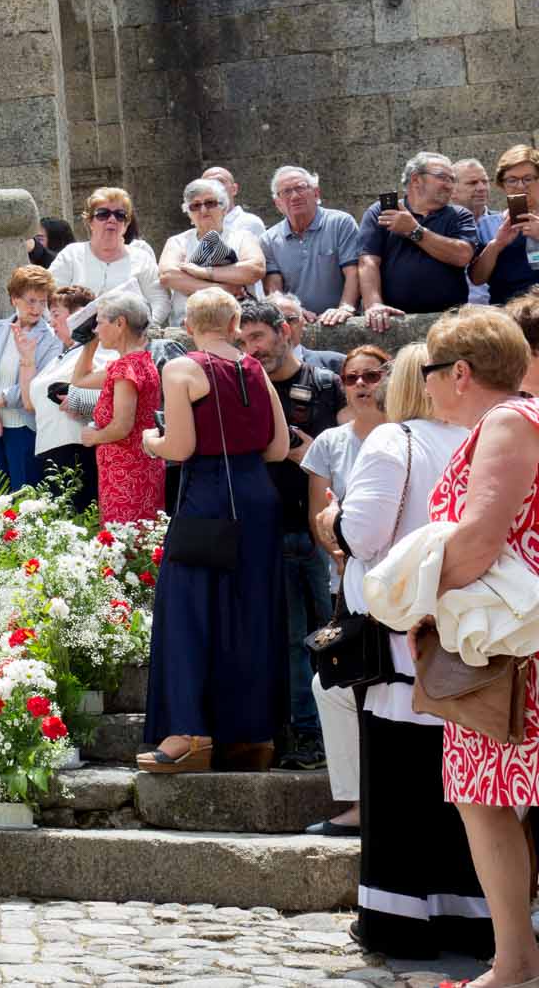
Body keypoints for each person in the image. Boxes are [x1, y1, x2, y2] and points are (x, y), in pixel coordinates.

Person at [319, 343, 490, 954]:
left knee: (398, 779)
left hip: (400, 638)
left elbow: (362, 533)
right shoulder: (480, 439)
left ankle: (397, 921)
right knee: (461, 784)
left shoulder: (396, 441)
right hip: (471, 634)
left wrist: (331, 520)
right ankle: (470, 917)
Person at [391, 308, 539, 986]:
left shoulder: (508, 422)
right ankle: (513, 961)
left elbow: (481, 540)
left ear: (459, 372)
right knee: (484, 798)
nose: (426, 386)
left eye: (429, 371)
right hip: (506, 641)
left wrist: (409, 595)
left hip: (514, 647)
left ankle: (513, 964)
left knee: (487, 799)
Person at [133, 287, 287, 774]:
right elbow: (278, 447)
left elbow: (180, 447)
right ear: (236, 322)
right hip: (257, 496)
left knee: (188, 613)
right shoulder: (256, 368)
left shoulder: (180, 368)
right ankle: (251, 736)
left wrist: (150, 440)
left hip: (207, 497)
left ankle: (189, 734)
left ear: (187, 324)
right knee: (251, 612)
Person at [240, 299, 344, 770]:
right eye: (243, 341)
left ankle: (344, 740)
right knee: (291, 644)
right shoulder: (245, 387)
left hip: (325, 534)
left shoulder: (324, 385)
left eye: (258, 336)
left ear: (285, 331)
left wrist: (308, 458)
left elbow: (346, 458)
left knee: (335, 639)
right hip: (270, 534)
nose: (252, 348)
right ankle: (306, 737)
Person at [299, 343, 389, 828]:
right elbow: (319, 512)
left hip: (393, 580)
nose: (360, 385)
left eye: (371, 377)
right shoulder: (331, 442)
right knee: (335, 683)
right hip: (347, 581)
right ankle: (356, 803)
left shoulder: (403, 437)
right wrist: (336, 548)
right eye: (352, 378)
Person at [359, 151, 479, 330]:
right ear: (416, 179)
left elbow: (462, 256)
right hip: (394, 320)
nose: (449, 185)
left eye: (452, 179)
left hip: (449, 321)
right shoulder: (380, 212)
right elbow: (368, 261)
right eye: (442, 177)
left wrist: (414, 230)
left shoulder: (459, 215)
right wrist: (374, 304)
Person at [74, 291, 164, 524]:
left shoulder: (126, 368)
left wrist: (94, 437)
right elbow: (80, 379)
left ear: (120, 323)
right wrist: (90, 344)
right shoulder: (137, 362)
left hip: (128, 471)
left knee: (125, 543)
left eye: (99, 323)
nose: (95, 329)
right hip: (132, 467)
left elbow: (122, 426)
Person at [0, 266, 62, 489]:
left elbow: (38, 387)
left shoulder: (51, 339)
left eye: (42, 302)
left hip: (25, 428)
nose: (37, 308)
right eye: (31, 301)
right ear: (14, 299)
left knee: (23, 496)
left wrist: (0, 400)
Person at [51, 187, 169, 326]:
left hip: (126, 340)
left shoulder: (141, 258)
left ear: (126, 224)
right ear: (90, 221)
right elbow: (50, 296)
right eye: (103, 214)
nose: (112, 219)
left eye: (120, 215)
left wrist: (147, 329)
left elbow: (160, 300)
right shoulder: (71, 254)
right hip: (78, 339)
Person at [159, 177, 267, 325]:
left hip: (239, 322)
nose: (203, 210)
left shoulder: (242, 237)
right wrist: (222, 289)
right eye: (195, 206)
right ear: (189, 214)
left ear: (223, 208)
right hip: (189, 325)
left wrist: (203, 272)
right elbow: (168, 275)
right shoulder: (178, 242)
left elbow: (254, 269)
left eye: (210, 203)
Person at [29, 286, 100, 508]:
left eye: (56, 315)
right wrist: (26, 360)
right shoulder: (58, 357)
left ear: (79, 314)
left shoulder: (96, 348)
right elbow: (29, 402)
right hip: (48, 447)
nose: (51, 322)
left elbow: (111, 391)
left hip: (76, 446)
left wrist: (77, 399)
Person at [261, 166, 362, 322]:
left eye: (301, 188)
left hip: (342, 321)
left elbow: (354, 271)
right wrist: (294, 311)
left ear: (316, 193)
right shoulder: (268, 239)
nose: (294, 196)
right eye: (286, 191)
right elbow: (274, 290)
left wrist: (345, 307)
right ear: (278, 203)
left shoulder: (341, 223)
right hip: (297, 323)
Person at [469, 144, 539, 306]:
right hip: (507, 315)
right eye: (512, 180)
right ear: (502, 185)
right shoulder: (487, 225)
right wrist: (497, 244)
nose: (521, 186)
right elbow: (477, 279)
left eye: (528, 178)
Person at [201, 165, 266, 240]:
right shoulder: (199, 226)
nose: (214, 187)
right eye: (208, 184)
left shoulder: (250, 223)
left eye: (220, 182)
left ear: (234, 189)